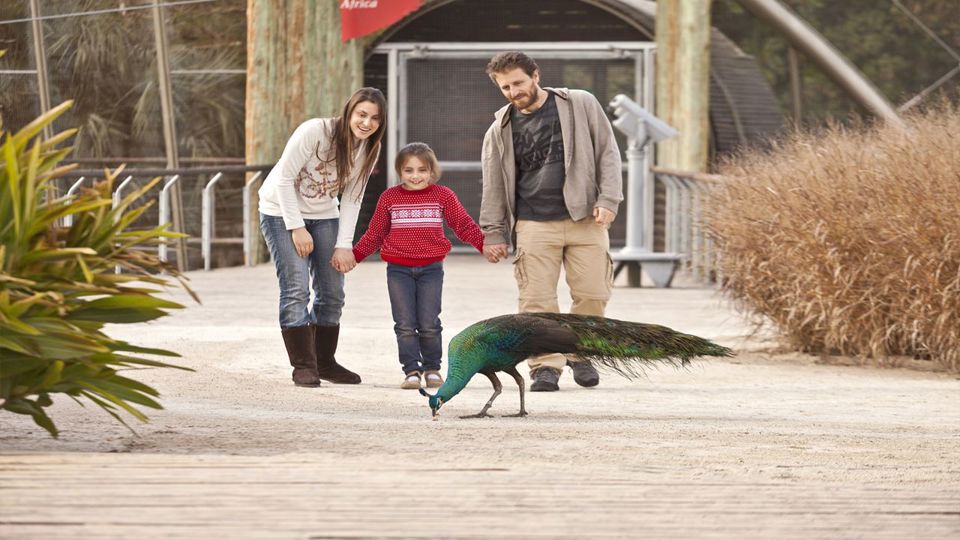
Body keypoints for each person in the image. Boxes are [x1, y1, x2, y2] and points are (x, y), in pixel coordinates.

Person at [479, 51, 623, 392]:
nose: (514, 91)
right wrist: (494, 232)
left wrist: (608, 198)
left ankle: (582, 354)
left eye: (518, 82)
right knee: (536, 301)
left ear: (536, 76)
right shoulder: (499, 129)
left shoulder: (580, 104)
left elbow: (608, 152)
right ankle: (545, 366)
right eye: (505, 87)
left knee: (593, 293)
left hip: (584, 218)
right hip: (533, 224)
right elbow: (493, 185)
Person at [258, 87, 386, 388]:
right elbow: (284, 179)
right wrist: (296, 226)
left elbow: (353, 198)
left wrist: (344, 246)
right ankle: (303, 365)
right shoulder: (315, 131)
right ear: (349, 112)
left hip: (325, 214)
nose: (366, 123)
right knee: (296, 288)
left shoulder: (369, 147)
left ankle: (325, 363)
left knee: (333, 291)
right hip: (280, 212)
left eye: (375, 119)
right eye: (362, 115)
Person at [351, 142, 484, 389]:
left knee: (429, 322)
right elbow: (375, 234)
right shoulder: (389, 198)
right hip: (398, 270)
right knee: (404, 323)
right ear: (399, 171)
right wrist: (354, 256)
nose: (415, 176)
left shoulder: (443, 196)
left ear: (432, 170)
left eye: (422, 170)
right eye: (408, 170)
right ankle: (411, 370)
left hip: (431, 269)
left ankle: (433, 368)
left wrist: (484, 245)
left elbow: (463, 224)